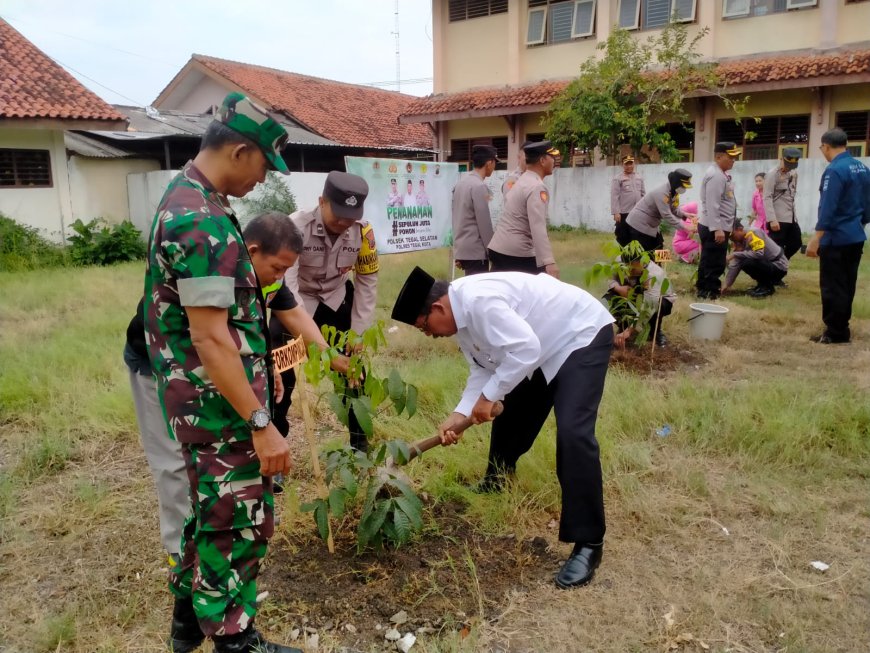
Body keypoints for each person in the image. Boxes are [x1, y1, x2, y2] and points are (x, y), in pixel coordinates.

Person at [143, 92, 302, 653]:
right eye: (264, 165)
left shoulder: (190, 198)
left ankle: (187, 623)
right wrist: (261, 420)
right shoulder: (199, 221)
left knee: (210, 510)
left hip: (207, 401)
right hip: (217, 405)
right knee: (236, 521)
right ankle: (236, 639)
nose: (263, 181)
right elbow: (211, 338)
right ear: (239, 151)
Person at [391, 267, 615, 589]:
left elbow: (525, 350)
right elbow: (483, 371)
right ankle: (496, 480)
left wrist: (488, 397)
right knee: (512, 408)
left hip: (578, 335)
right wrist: (461, 412)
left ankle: (589, 543)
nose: (430, 335)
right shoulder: (461, 323)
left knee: (573, 433)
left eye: (425, 327)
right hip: (539, 347)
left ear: (438, 308)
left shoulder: (479, 301)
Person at [276, 171, 378, 451]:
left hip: (336, 301)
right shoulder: (293, 227)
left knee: (353, 371)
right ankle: (275, 445)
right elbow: (288, 286)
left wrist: (357, 335)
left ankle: (360, 444)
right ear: (322, 201)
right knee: (280, 371)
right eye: (339, 214)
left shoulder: (364, 232)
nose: (345, 222)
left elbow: (367, 283)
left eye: (352, 215)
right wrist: (308, 338)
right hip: (296, 306)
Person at [805, 127, 870, 344]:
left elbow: (828, 208)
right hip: (855, 235)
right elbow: (867, 204)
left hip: (836, 237)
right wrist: (859, 223)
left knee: (832, 285)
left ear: (825, 146)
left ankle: (835, 332)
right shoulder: (861, 167)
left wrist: (816, 237)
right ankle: (842, 327)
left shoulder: (834, 170)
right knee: (847, 284)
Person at [487, 140, 560, 277]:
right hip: (515, 253)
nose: (554, 161)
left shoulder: (522, 180)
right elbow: (538, 227)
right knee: (538, 291)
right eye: (552, 157)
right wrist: (549, 262)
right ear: (543, 160)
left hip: (500, 248)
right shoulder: (537, 187)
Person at [696, 141, 741, 299]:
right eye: (731, 157)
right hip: (714, 227)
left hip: (715, 225)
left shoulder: (720, 174)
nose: (734, 160)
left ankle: (703, 289)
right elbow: (713, 205)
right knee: (714, 261)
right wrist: (718, 229)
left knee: (708, 258)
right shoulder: (716, 176)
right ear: (719, 156)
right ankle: (710, 291)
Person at [604, 252, 676, 347]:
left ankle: (655, 331)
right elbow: (610, 279)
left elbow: (649, 307)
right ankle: (623, 326)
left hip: (658, 300)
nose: (629, 272)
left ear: (642, 263)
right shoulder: (619, 261)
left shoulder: (654, 273)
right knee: (610, 296)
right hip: (634, 295)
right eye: (626, 268)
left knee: (658, 305)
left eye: (633, 269)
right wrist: (619, 288)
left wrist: (629, 331)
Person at [622, 168, 695, 251]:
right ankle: (622, 260)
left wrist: (685, 215)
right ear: (676, 182)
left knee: (660, 248)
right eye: (683, 186)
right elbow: (666, 214)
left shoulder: (674, 192)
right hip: (640, 224)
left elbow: (674, 209)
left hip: (652, 225)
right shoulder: (662, 193)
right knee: (642, 253)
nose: (684, 189)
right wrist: (685, 227)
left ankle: (659, 264)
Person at [452, 144, 497, 275]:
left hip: (464, 250)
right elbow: (484, 224)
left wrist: (459, 251)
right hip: (477, 251)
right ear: (489, 163)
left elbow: (456, 219)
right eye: (494, 163)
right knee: (478, 293)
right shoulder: (479, 186)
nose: (494, 167)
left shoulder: (460, 184)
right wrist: (492, 251)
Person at [721, 219, 788, 298]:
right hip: (768, 264)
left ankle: (767, 288)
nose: (731, 239)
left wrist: (735, 254)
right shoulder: (741, 240)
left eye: (732, 236)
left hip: (778, 266)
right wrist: (726, 285)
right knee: (745, 261)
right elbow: (736, 263)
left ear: (740, 229)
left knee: (748, 263)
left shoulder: (754, 233)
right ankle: (761, 285)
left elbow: (758, 254)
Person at [763, 147, 803, 261]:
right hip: (777, 218)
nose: (789, 167)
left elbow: (792, 195)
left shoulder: (793, 173)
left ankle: (781, 263)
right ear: (781, 159)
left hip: (791, 218)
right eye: (787, 164)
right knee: (776, 247)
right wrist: (772, 219)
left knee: (796, 243)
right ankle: (774, 274)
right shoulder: (772, 174)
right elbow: (767, 197)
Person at [611, 154, 646, 245]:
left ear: (634, 164)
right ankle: (624, 256)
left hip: (637, 212)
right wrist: (616, 212)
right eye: (626, 164)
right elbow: (614, 196)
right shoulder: (618, 178)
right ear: (622, 165)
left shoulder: (639, 177)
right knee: (623, 234)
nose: (629, 166)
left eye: (631, 164)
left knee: (637, 234)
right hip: (624, 213)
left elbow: (643, 194)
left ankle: (636, 255)